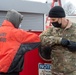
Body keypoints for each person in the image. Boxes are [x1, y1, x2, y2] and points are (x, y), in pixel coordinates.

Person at [0, 9, 40, 75]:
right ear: (15, 20)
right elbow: (37, 39)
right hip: (11, 71)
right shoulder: (18, 33)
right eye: (19, 22)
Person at [39, 6, 76, 75]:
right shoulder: (52, 29)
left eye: (53, 19)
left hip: (72, 72)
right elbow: (41, 38)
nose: (51, 22)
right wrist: (59, 40)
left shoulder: (74, 29)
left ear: (61, 18)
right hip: (56, 72)